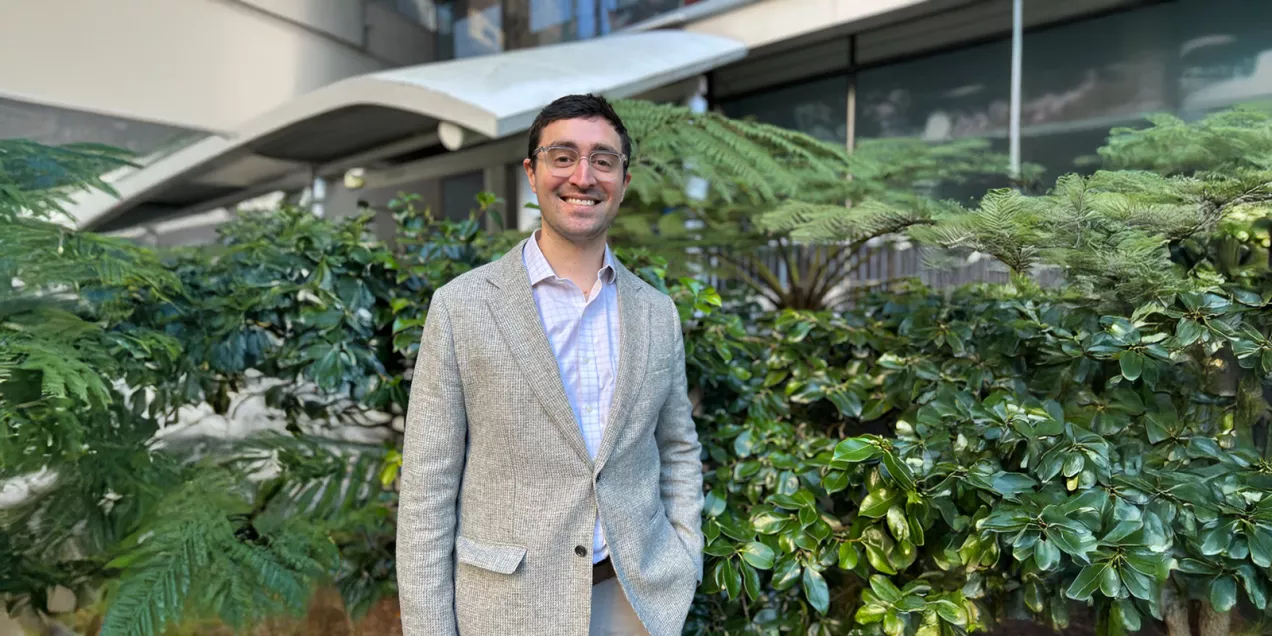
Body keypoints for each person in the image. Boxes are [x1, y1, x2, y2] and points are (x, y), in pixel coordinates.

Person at [396, 93, 705, 636]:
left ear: (623, 181)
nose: (583, 176)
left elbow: (677, 446)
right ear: (531, 173)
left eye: (603, 160)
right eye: (563, 157)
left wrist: (685, 554)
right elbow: (427, 486)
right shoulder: (462, 306)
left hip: (635, 599)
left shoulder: (657, 312)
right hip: (509, 608)